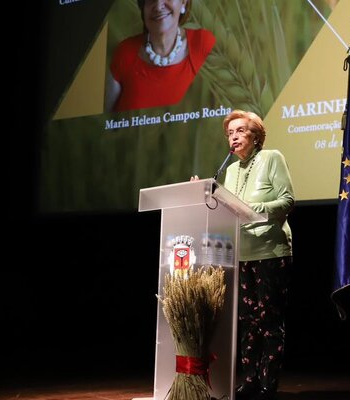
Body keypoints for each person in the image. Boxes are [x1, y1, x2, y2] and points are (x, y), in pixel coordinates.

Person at [192, 110, 295, 400]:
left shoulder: (272, 158)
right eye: (229, 133)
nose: (233, 137)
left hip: (270, 251)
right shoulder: (231, 170)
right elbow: (226, 209)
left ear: (256, 135)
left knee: (268, 320)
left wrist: (254, 212)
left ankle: (267, 384)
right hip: (241, 254)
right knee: (248, 322)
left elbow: (288, 200)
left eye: (239, 131)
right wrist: (204, 193)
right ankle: (249, 380)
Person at [105, 0, 215, 112]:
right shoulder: (125, 52)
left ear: (183, 2)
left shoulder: (203, 44)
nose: (158, 6)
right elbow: (105, 119)